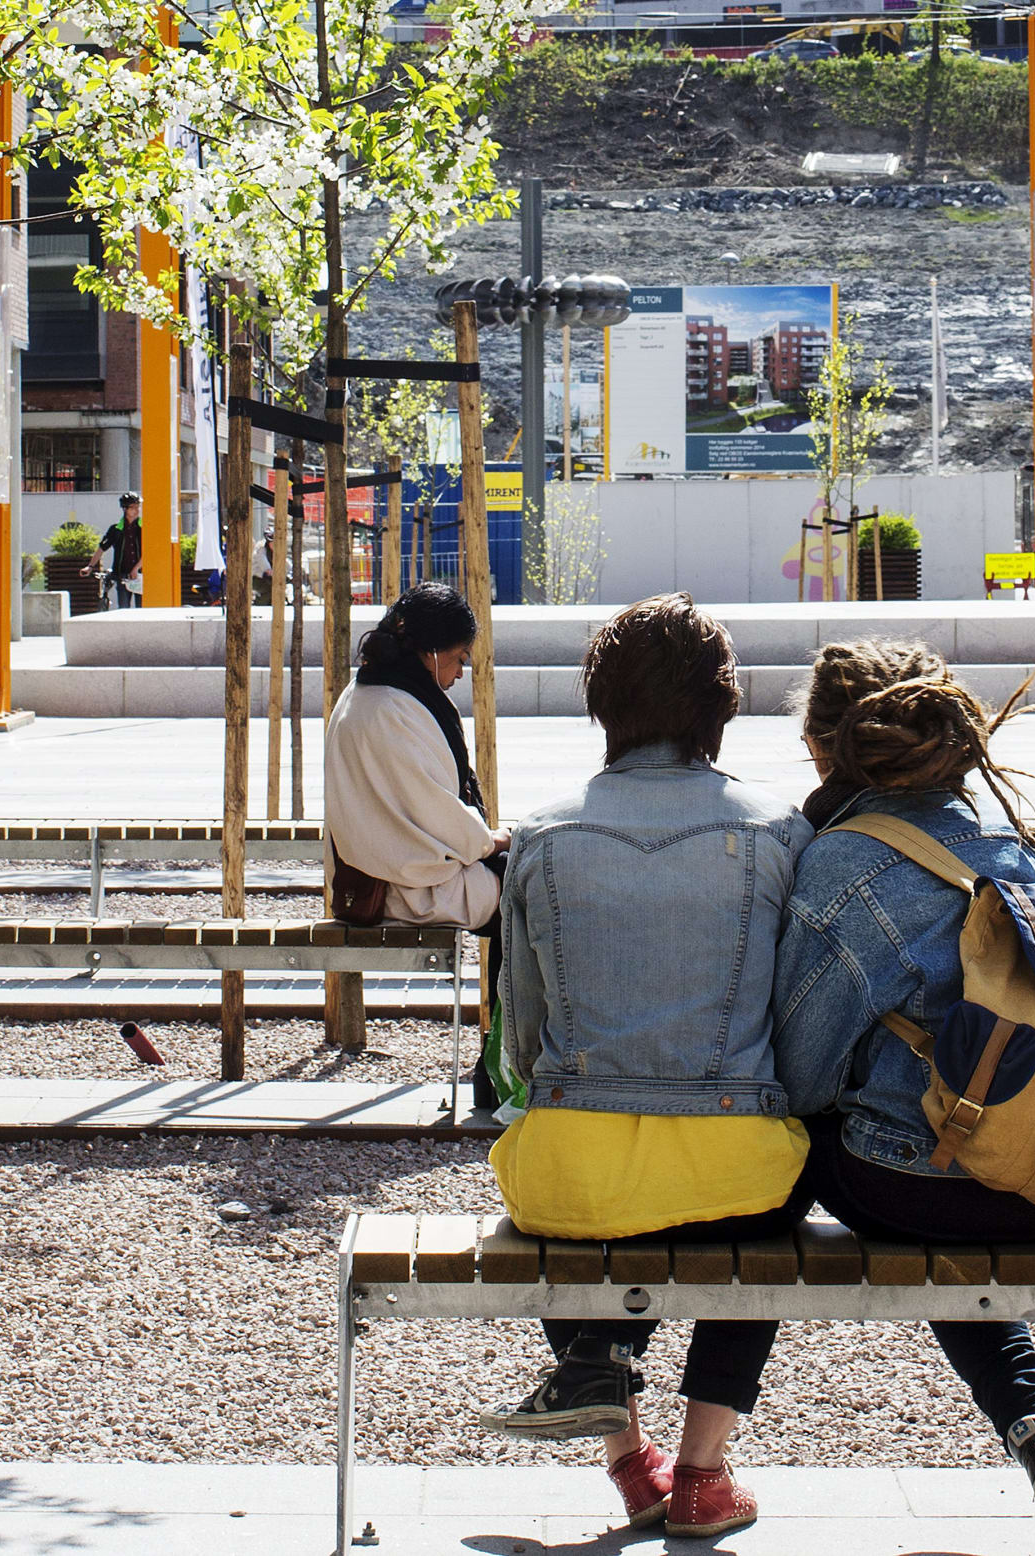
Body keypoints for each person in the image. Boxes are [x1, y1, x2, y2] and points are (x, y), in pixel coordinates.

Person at [770, 639, 1035, 1546]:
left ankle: (683, 1443)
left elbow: (800, 1073)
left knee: (794, 1155)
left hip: (918, 1187)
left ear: (826, 752)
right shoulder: (1015, 847)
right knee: (958, 1161)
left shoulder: (843, 868)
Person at [473, 594, 813, 1538]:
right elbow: (794, 1025)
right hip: (737, 1168)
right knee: (763, 1224)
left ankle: (628, 1454)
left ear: (601, 706)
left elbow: (521, 1044)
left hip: (572, 1170)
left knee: (561, 1187)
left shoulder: (540, 838)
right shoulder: (779, 832)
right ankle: (704, 1473)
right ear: (722, 706)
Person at [319, 581, 506, 928]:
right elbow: (432, 809)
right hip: (404, 891)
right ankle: (511, 986)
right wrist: (489, 841)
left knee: (518, 874)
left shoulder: (363, 692)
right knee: (534, 886)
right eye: (459, 658)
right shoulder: (394, 710)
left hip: (375, 878)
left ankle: (506, 985)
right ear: (432, 652)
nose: (460, 672)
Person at [101, 492, 146, 609]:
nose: (137, 510)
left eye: (138, 507)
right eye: (133, 507)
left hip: (141, 575)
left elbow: (149, 552)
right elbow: (101, 548)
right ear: (125, 509)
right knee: (123, 608)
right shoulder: (116, 529)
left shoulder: (145, 528)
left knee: (143, 608)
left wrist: (136, 569)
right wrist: (90, 566)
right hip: (122, 575)